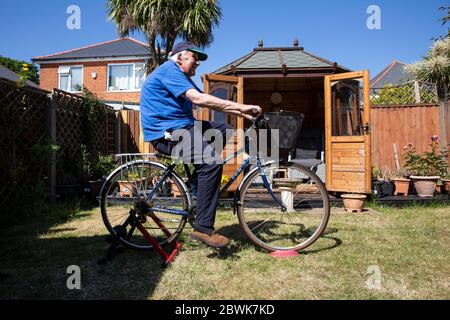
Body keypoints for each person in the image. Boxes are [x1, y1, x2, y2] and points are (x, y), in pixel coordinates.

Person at [140, 41, 262, 248]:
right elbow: (198, 98)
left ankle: (199, 183)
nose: (197, 63)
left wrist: (243, 113)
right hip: (166, 134)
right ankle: (203, 228)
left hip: (182, 127)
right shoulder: (169, 71)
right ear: (179, 58)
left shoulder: (179, 76)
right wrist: (242, 106)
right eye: (194, 58)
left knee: (225, 130)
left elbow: (203, 100)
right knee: (212, 163)